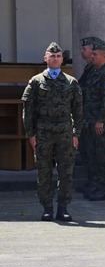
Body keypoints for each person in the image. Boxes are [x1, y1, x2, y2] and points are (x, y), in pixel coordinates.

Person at [21, 42, 82, 221]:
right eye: (51, 56)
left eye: (58, 56)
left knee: (66, 172)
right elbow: (28, 109)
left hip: (65, 133)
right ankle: (47, 207)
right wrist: (30, 134)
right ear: (45, 58)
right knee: (44, 171)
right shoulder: (36, 82)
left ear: (62, 59)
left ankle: (63, 207)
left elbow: (78, 110)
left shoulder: (71, 82)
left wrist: (76, 134)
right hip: (43, 133)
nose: (55, 59)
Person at [83, 38, 105, 201]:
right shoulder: (93, 71)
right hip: (91, 120)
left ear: (104, 56)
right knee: (93, 155)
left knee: (102, 157)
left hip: (102, 122)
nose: (92, 56)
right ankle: (95, 185)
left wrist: (101, 120)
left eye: (95, 54)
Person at [77, 36, 98, 198]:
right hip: (87, 118)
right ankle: (92, 183)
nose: (82, 51)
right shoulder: (89, 69)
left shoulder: (104, 73)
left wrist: (101, 120)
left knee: (99, 155)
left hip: (96, 120)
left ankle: (101, 187)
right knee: (88, 153)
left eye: (85, 49)